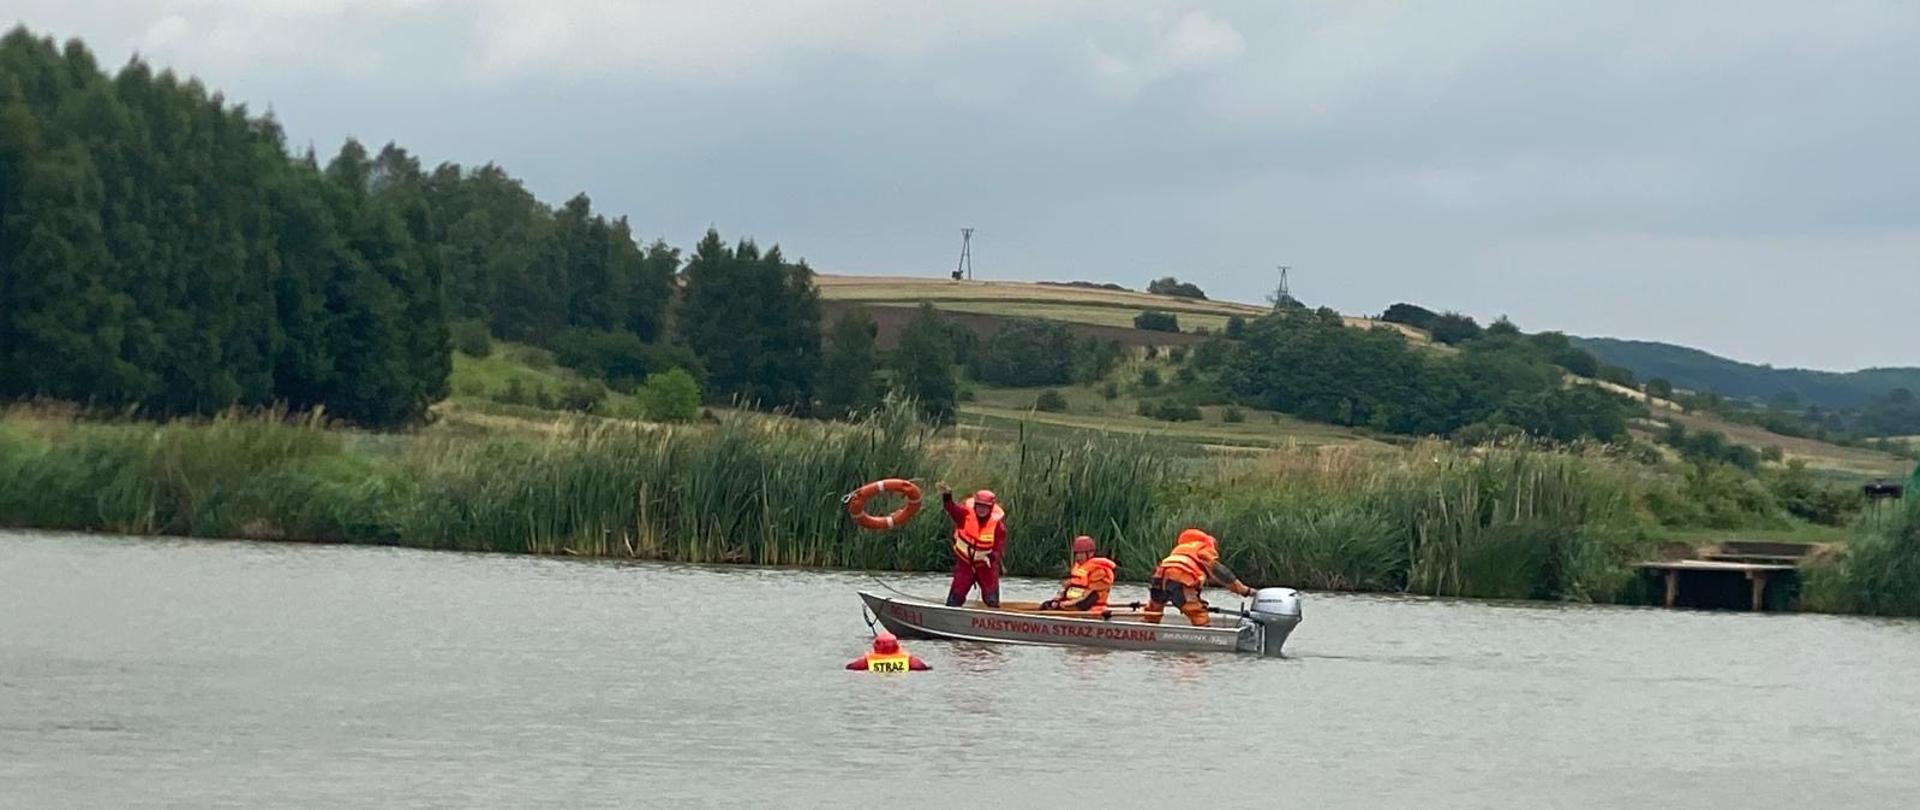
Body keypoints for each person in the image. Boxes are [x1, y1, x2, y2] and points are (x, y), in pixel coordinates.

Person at [1143, 528, 1253, 627]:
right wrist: (1244, 590)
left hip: (1159, 576)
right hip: (1181, 577)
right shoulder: (1204, 548)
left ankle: (1146, 631)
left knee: (1153, 610)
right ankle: (1206, 636)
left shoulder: (1181, 548)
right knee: (1197, 613)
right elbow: (1220, 572)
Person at [937, 482, 1006, 607]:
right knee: (955, 598)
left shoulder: (998, 527)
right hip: (965, 565)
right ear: (975, 505)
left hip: (986, 566)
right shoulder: (965, 516)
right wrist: (947, 496)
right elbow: (951, 508)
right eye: (979, 506)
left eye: (985, 507)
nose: (982, 509)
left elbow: (998, 547)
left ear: (991, 508)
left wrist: (993, 556)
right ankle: (951, 616)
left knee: (991, 599)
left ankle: (993, 618)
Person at [1040, 535, 1116, 612]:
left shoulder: (1099, 571)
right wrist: (1057, 600)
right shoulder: (1078, 567)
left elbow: (1090, 595)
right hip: (1073, 604)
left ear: (1090, 553)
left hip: (1091, 608)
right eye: (1076, 554)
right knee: (1046, 605)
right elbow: (1069, 586)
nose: (1078, 557)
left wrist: (1069, 604)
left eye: (1081, 554)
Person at [846, 631, 930, 672]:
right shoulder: (909, 660)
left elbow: (850, 667)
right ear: (896, 645)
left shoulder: (866, 661)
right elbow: (922, 667)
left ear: (876, 646)